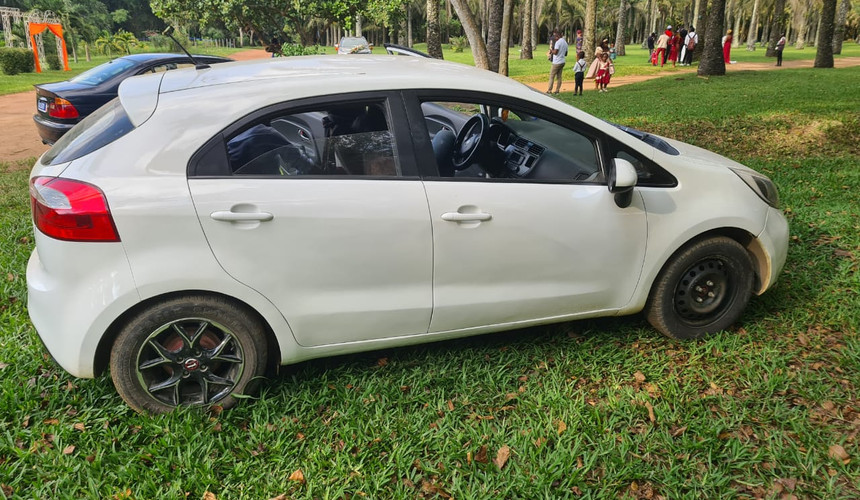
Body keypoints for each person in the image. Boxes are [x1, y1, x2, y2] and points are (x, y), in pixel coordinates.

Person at [546, 28, 568, 94]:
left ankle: (549, 90)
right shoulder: (565, 42)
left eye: (555, 36)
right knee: (559, 77)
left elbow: (555, 52)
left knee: (551, 76)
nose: (554, 38)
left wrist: (551, 51)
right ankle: (557, 90)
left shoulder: (558, 42)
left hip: (556, 62)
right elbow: (566, 53)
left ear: (557, 36)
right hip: (562, 61)